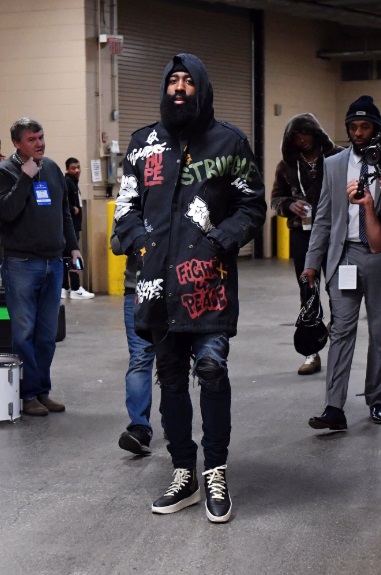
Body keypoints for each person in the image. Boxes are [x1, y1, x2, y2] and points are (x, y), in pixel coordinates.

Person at [114, 53, 266, 523]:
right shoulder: (143, 146)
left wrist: (220, 240)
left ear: (201, 87)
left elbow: (253, 205)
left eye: (188, 81)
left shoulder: (229, 142)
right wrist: (141, 241)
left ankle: (215, 470)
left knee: (212, 369)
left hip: (209, 286)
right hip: (157, 288)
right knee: (172, 381)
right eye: (173, 81)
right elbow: (125, 207)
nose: (179, 88)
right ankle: (184, 472)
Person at [301, 95, 381, 431]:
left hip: (378, 256)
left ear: (375, 129)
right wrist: (312, 263)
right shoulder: (334, 165)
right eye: (353, 126)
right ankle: (334, 406)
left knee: (379, 331)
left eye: (364, 126)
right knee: (342, 330)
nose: (358, 132)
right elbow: (322, 218)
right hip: (344, 256)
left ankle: (377, 399)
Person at [0, 118, 82, 416]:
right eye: (32, 139)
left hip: (53, 262)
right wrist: (24, 177)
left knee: (47, 334)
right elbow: (6, 213)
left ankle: (41, 390)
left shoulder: (51, 168)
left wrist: (72, 246)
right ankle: (27, 394)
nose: (40, 143)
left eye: (41, 137)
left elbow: (63, 212)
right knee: (24, 333)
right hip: (21, 263)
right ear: (17, 144)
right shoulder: (6, 172)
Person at [271, 113, 343, 375]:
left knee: (339, 293)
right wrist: (290, 205)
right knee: (308, 292)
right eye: (296, 136)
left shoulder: (338, 157)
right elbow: (276, 199)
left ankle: (338, 346)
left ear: (316, 134)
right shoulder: (286, 165)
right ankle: (311, 353)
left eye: (305, 134)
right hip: (302, 235)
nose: (302, 140)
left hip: (336, 234)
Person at [110, 230, 156, 455]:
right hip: (137, 288)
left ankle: (174, 420)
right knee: (140, 358)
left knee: (173, 359)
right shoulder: (128, 198)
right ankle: (139, 428)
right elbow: (116, 245)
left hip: (176, 287)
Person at [61, 157, 94, 300]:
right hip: (70, 228)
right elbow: (62, 204)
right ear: (67, 169)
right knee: (74, 257)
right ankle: (75, 287)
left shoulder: (73, 183)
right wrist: (72, 208)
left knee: (66, 257)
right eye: (73, 168)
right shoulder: (68, 183)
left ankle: (65, 287)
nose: (77, 170)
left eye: (78, 167)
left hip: (73, 227)